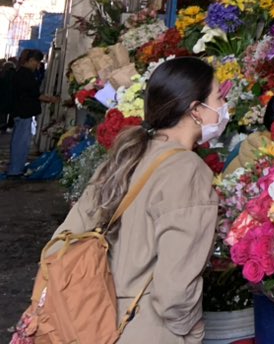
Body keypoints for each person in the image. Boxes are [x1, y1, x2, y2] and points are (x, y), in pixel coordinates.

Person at [48, 57, 224, 343]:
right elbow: (175, 291)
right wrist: (192, 333)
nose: (223, 108)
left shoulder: (126, 156)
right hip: (145, 329)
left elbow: (64, 239)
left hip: (92, 322)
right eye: (218, 98)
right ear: (195, 111)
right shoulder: (188, 171)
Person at [5, 49, 57, 177]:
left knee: (20, 140)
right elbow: (33, 93)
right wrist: (50, 99)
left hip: (20, 112)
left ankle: (16, 167)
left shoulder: (20, 72)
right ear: (31, 60)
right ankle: (16, 169)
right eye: (37, 62)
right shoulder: (25, 74)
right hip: (24, 112)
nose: (38, 65)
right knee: (21, 141)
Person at [0, 58, 17, 132]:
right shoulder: (14, 75)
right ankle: (4, 126)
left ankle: (2, 125)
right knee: (6, 113)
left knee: (2, 113)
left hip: (2, 97)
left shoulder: (2, 75)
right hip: (9, 98)